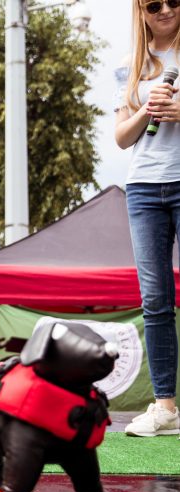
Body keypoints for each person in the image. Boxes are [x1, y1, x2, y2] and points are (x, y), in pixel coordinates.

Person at [114, 0, 180, 437]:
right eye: (154, 4)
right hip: (143, 188)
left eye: (173, 1)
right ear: (141, 10)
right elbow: (121, 138)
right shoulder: (130, 65)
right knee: (155, 302)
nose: (165, 10)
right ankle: (166, 408)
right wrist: (147, 109)